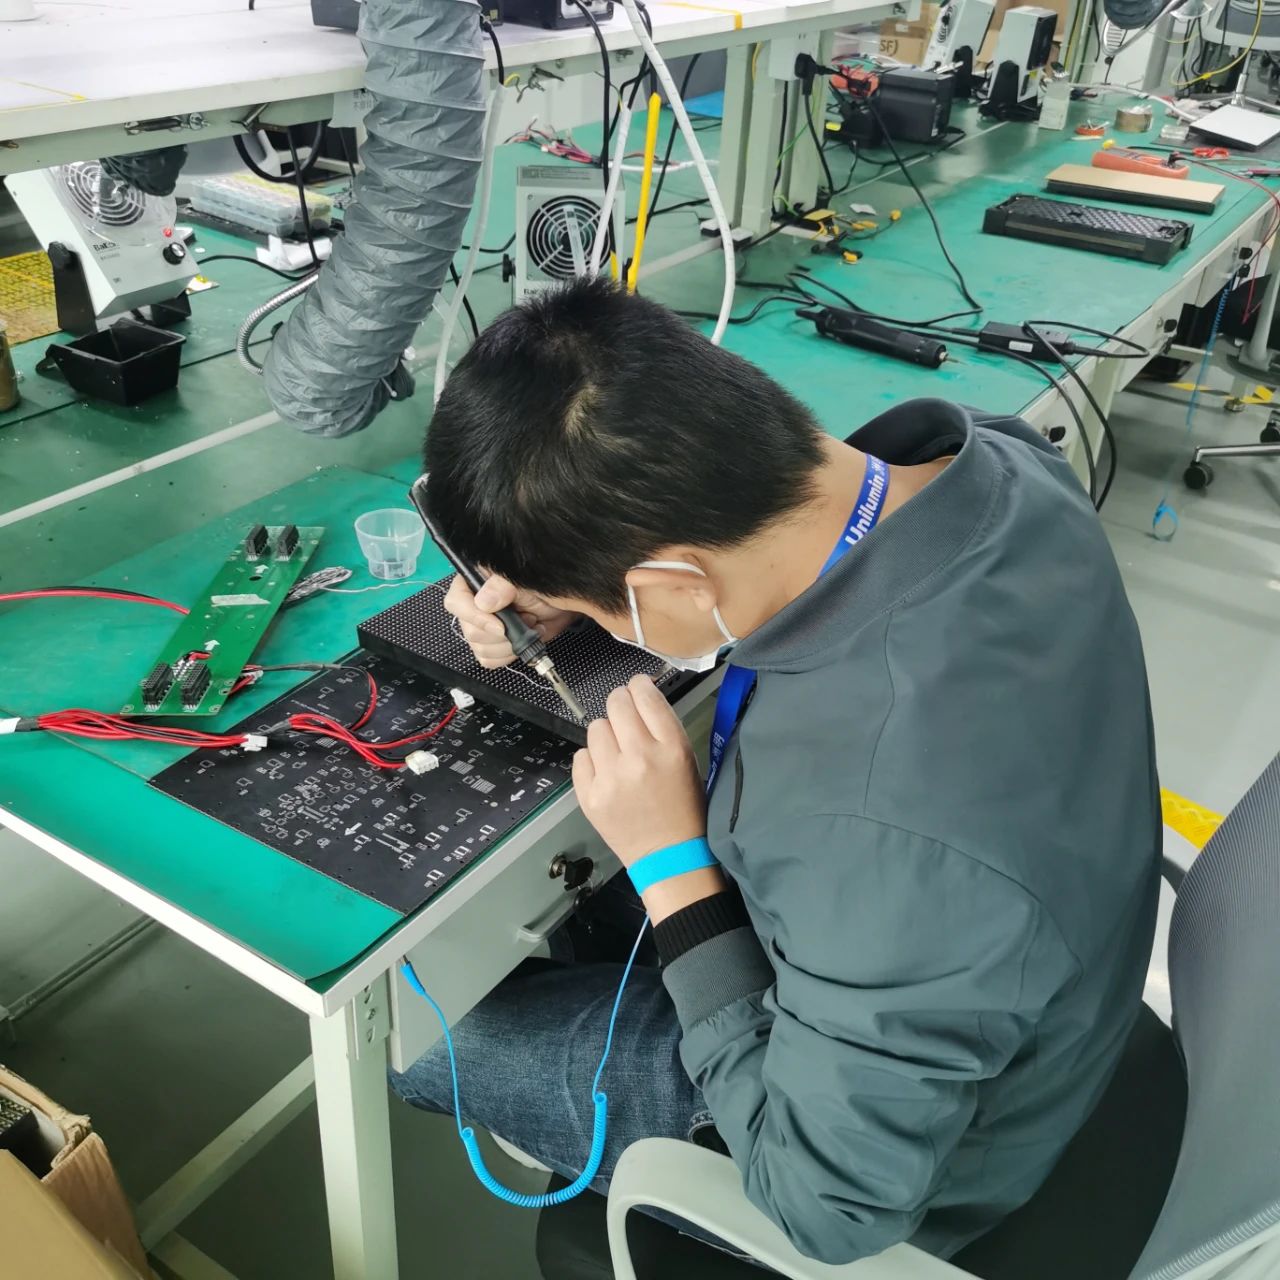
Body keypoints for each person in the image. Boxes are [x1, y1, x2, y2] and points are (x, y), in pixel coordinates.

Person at [389, 277, 1161, 1265]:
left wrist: (671, 868)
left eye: (602, 604)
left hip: (898, 1153)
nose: (590, 621)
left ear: (675, 579)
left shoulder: (875, 821)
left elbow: (827, 1205)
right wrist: (574, 582)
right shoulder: (997, 464)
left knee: (421, 1032)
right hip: (988, 964)